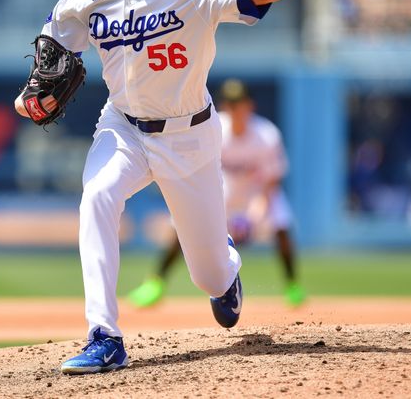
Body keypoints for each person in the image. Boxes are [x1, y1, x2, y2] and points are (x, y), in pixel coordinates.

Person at [17, 0, 388, 375]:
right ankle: (104, 336)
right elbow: (54, 39)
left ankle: (226, 272)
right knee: (98, 197)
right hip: (122, 127)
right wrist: (30, 93)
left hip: (188, 136)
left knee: (207, 274)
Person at [128, 78, 305, 308]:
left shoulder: (266, 135)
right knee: (182, 226)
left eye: (239, 103)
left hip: (257, 193)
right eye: (231, 104)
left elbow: (271, 183)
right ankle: (155, 283)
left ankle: (292, 286)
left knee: (281, 225)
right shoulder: (217, 128)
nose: (235, 109)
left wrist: (254, 216)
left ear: (250, 105)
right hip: (224, 190)